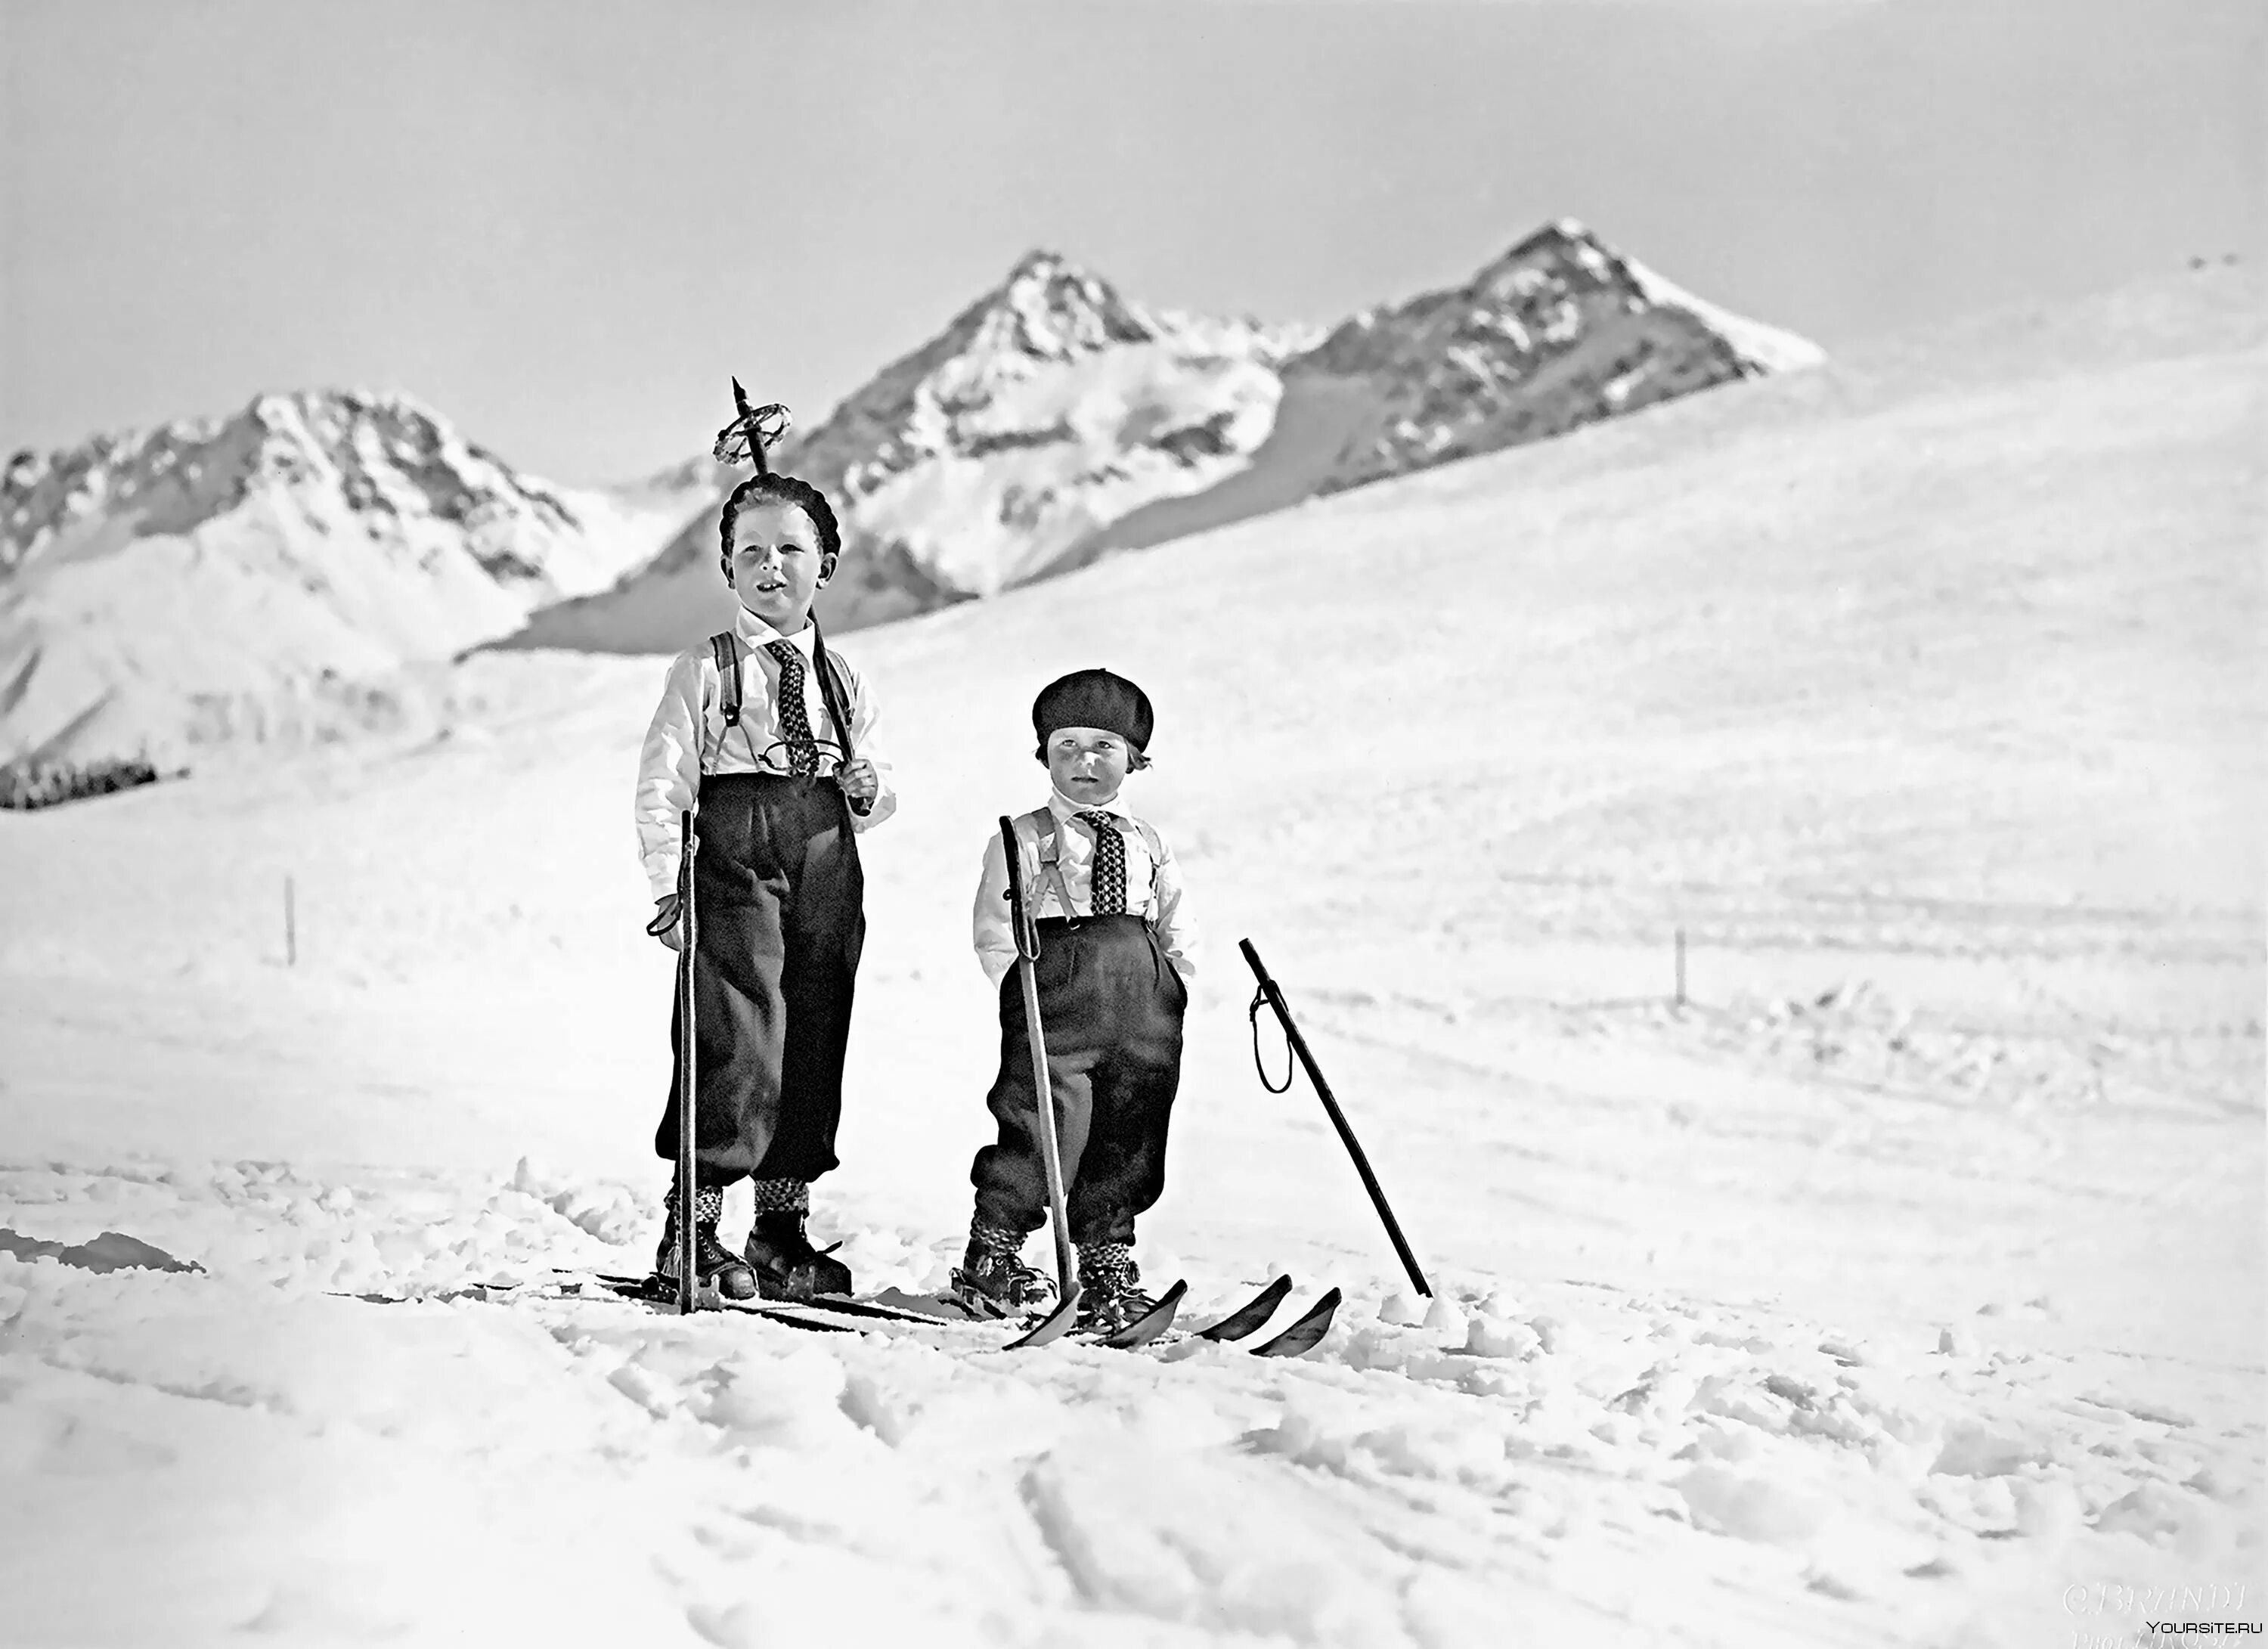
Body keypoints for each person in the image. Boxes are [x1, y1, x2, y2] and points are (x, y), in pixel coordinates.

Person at [633, 392, 895, 1302]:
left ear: (825, 564)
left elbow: (878, 777)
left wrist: (870, 792)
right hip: (735, 854)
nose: (770, 565)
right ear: (726, 570)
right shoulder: (705, 668)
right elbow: (664, 784)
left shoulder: (844, 673)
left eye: (790, 549)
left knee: (816, 1028)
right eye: (749, 551)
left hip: (827, 854)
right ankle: (691, 1231)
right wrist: (670, 887)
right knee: (736, 1034)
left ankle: (782, 1233)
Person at [956, 668, 1197, 1331]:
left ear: (1133, 760)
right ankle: (994, 1253)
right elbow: (995, 931)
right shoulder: (1024, 836)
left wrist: (1172, 979)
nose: (1084, 762)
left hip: (1143, 1004)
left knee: (1131, 1131)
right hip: (1055, 995)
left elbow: (1175, 920)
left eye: (1104, 747)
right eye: (1068, 746)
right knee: (1045, 1126)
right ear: (1045, 754)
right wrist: (1024, 987)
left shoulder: (1148, 841)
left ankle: (1107, 1266)